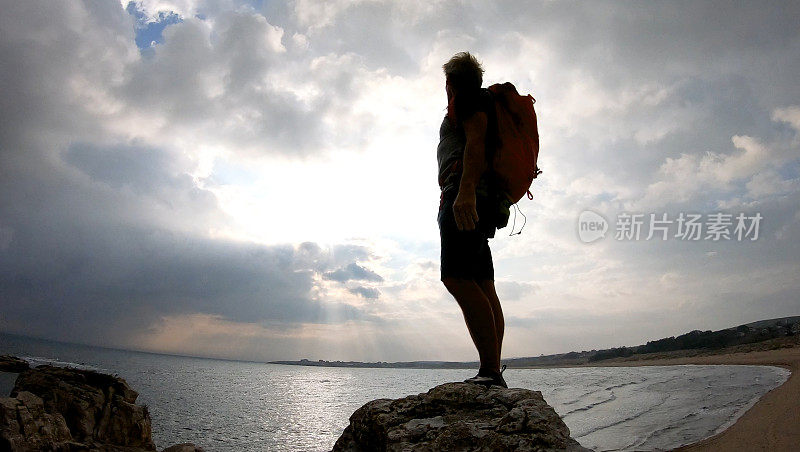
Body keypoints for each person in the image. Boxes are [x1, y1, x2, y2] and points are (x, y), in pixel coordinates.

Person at [437, 52, 507, 388]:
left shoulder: (468, 99)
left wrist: (464, 193)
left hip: (465, 196)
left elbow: (475, 142)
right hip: (481, 197)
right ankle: (492, 369)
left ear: (451, 81)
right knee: (482, 283)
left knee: (457, 278)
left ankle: (490, 371)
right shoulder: (481, 100)